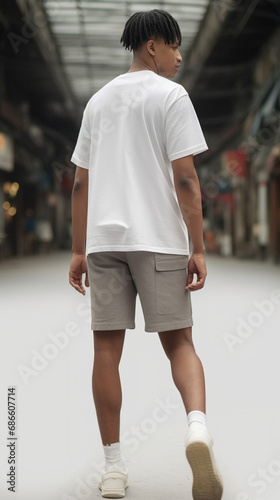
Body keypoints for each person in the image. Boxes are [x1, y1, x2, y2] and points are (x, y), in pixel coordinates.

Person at [69, 9, 223, 500]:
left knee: (105, 352)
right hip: (160, 239)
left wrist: (78, 250)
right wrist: (197, 246)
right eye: (174, 46)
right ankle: (197, 429)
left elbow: (79, 184)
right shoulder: (171, 96)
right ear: (152, 45)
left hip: (106, 244)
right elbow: (185, 179)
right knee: (180, 344)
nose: (179, 57)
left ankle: (113, 469)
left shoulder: (98, 102)